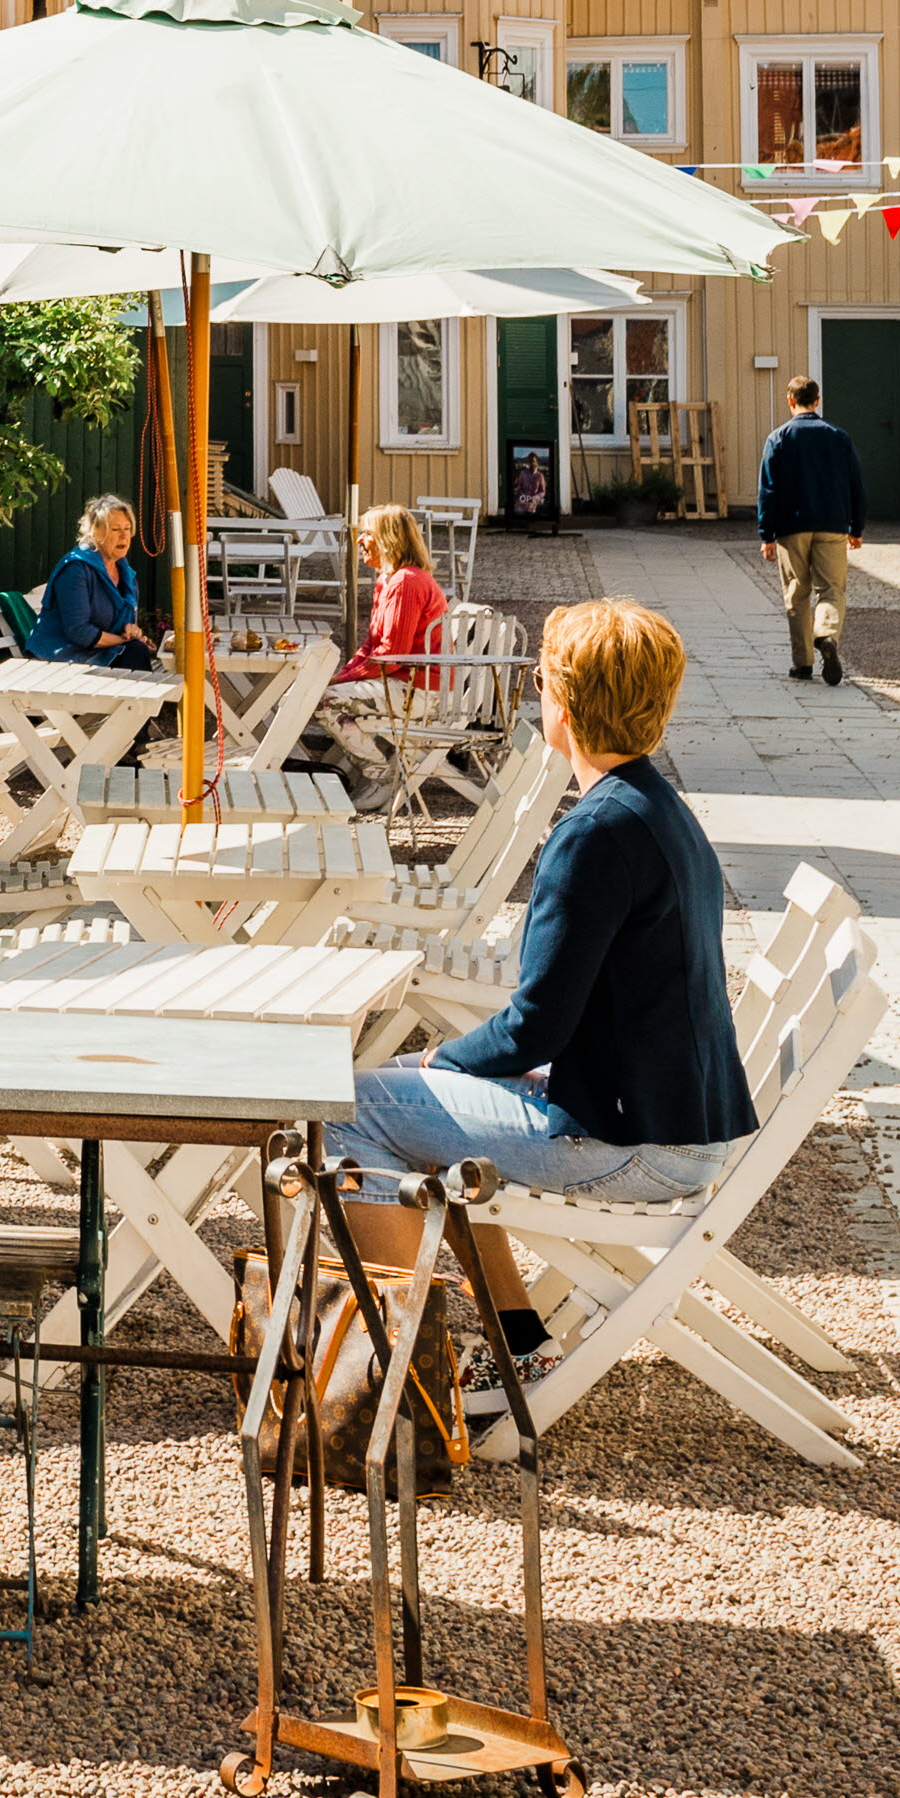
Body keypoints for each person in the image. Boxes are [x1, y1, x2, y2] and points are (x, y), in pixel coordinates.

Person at [322, 597, 757, 1406]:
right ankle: (515, 1344)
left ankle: (402, 1363)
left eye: (541, 679)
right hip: (675, 1121)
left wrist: (436, 1058)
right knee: (437, 1116)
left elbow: (536, 1025)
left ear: (565, 702)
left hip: (629, 1143)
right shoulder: (658, 811)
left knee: (350, 1104)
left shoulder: (594, 834)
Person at [756, 376, 867, 685]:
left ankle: (802, 663)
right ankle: (827, 634)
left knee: (797, 593)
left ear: (790, 401)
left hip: (791, 527)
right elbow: (856, 485)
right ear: (817, 401)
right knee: (832, 588)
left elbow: (768, 489)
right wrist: (856, 528)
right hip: (832, 523)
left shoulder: (778, 438)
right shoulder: (838, 437)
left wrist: (767, 533)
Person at [26, 496, 157, 665]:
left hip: (101, 654)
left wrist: (130, 632)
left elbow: (123, 626)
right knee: (135, 652)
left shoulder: (126, 574)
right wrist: (124, 641)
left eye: (127, 528)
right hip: (59, 658)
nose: (124, 536)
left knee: (136, 651)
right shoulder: (76, 569)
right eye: (115, 529)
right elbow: (78, 631)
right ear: (94, 532)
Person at [336, 505, 449, 685]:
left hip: (419, 686)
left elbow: (392, 655)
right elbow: (370, 646)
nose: (359, 540)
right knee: (311, 695)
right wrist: (342, 676)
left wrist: (342, 681)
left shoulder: (406, 582)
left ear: (388, 540)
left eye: (367, 533)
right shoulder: (386, 579)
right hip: (395, 678)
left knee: (318, 701)